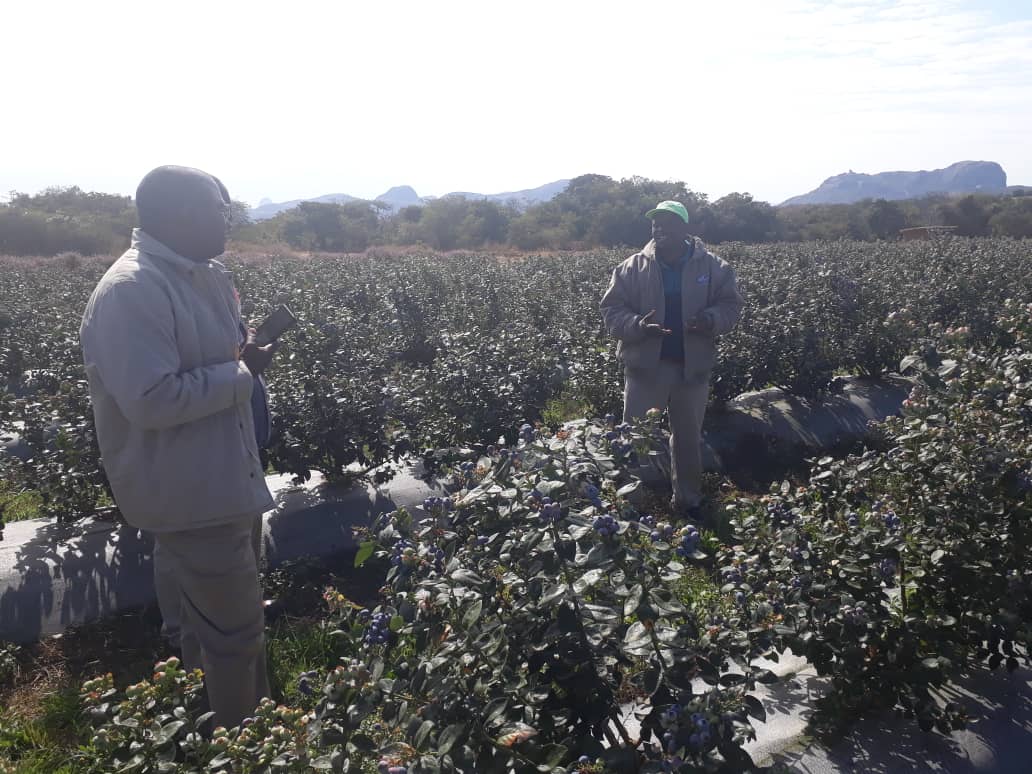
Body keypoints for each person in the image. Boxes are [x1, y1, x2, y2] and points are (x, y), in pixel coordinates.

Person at [80, 165, 277, 728]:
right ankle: (254, 742)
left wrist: (242, 353)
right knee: (236, 632)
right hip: (193, 491)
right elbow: (151, 398)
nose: (228, 219)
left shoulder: (203, 275)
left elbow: (206, 358)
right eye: (220, 208)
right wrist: (243, 372)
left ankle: (206, 722)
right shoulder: (133, 290)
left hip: (223, 474)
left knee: (204, 622)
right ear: (179, 215)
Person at [600, 201, 743, 518]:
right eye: (656, 224)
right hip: (646, 368)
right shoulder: (631, 268)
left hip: (692, 368)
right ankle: (629, 503)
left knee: (689, 438)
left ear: (685, 229)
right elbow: (611, 311)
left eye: (668, 224)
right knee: (635, 437)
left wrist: (710, 320)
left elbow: (731, 306)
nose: (660, 229)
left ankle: (688, 500)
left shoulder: (714, 268)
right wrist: (638, 326)